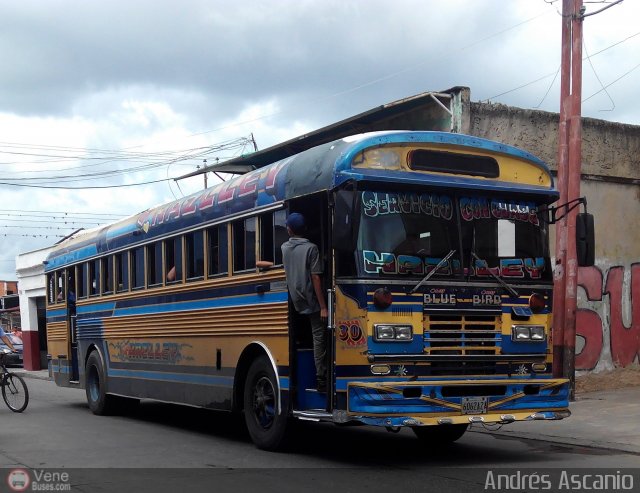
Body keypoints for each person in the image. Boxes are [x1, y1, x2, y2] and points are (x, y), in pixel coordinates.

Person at [280, 213, 328, 392]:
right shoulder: (312, 248)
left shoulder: (284, 248)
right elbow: (316, 277)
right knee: (319, 338)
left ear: (289, 230)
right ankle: (321, 378)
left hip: (295, 301)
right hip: (312, 301)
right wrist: (323, 306)